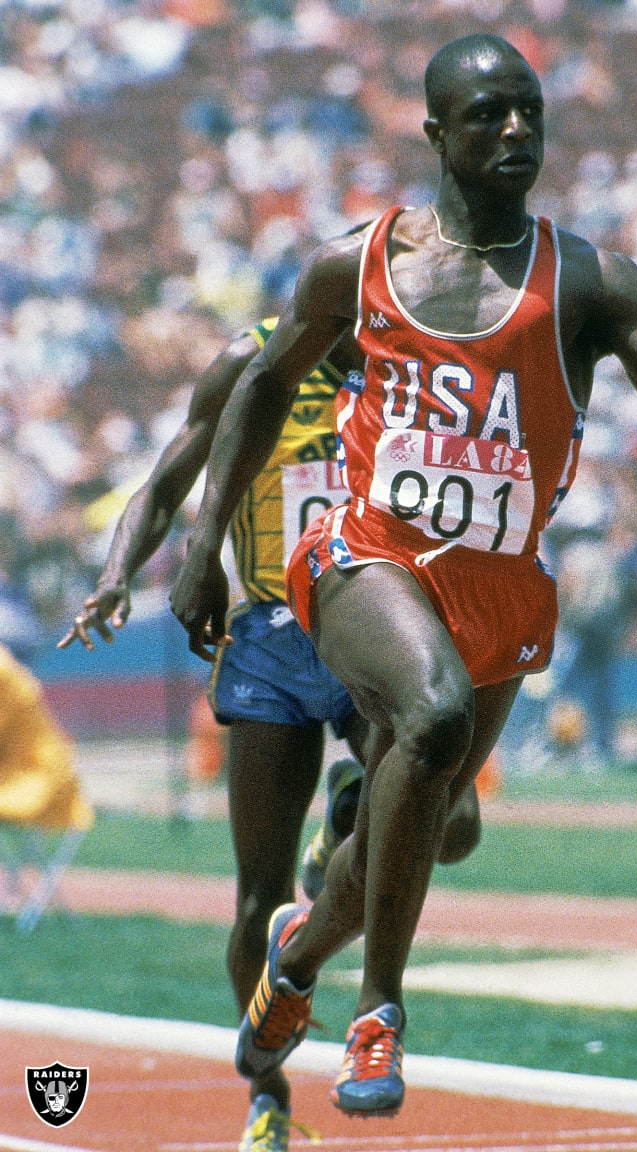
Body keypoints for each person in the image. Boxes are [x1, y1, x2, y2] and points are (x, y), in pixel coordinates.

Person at [169, 33, 637, 1123]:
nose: (516, 130)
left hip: (499, 586)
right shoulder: (360, 264)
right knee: (430, 725)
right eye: (488, 114)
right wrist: (202, 548)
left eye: (529, 110)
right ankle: (377, 1012)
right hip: (365, 556)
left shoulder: (592, 280)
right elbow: (257, 387)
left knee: (410, 822)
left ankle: (298, 957)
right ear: (435, 132)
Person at [58, 317, 481, 1152]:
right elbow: (165, 480)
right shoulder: (251, 366)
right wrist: (115, 579)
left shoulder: (410, 370)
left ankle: (348, 828)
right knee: (259, 894)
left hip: (371, 623)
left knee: (456, 826)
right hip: (271, 641)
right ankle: (269, 1095)